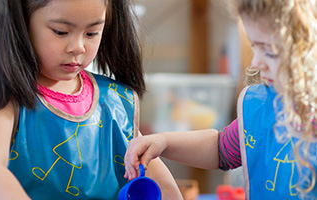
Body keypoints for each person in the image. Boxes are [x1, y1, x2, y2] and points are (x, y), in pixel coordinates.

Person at [0, 0, 182, 199]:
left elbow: (163, 188)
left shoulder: (114, 103)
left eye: (92, 33)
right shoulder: (4, 94)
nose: (78, 47)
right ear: (21, 24)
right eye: (61, 32)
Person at [124, 0, 317, 199]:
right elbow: (221, 149)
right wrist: (163, 142)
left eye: (269, 50)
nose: (256, 62)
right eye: (254, 46)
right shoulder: (260, 105)